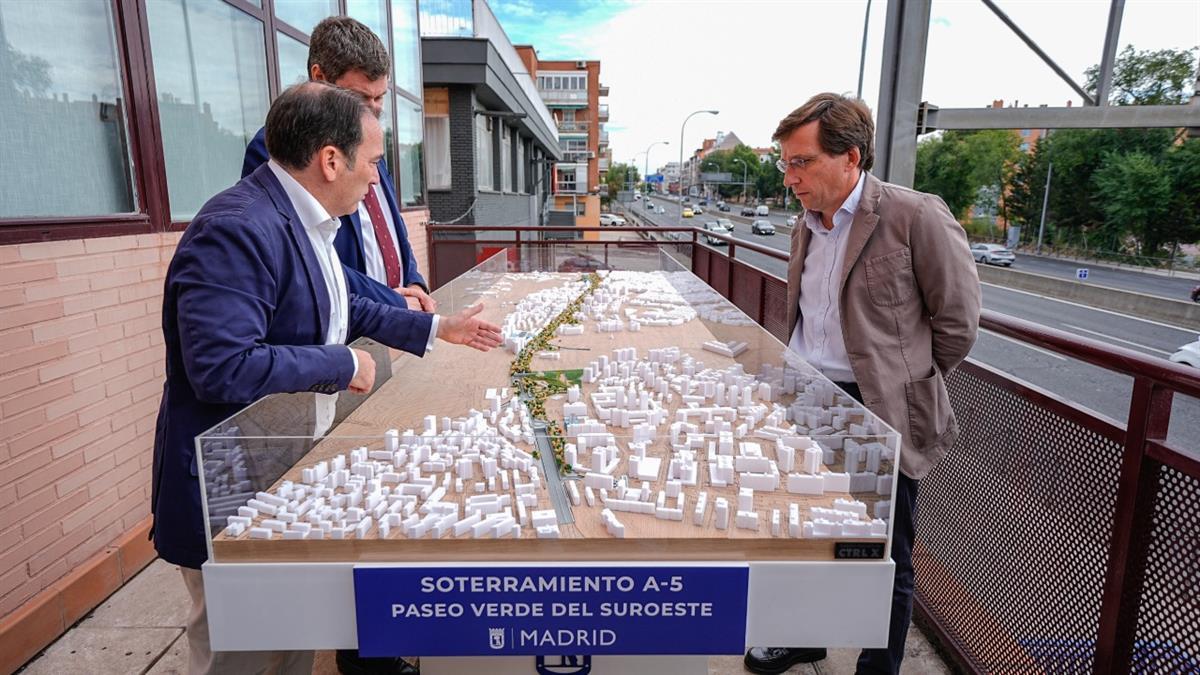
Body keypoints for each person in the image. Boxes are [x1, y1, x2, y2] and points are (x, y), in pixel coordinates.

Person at [151, 82, 503, 675]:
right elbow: (221, 367)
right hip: (226, 483)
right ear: (331, 159)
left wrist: (436, 327)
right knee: (238, 651)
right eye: (372, 162)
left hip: (274, 467)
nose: (376, 179)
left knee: (290, 639)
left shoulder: (304, 218)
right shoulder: (236, 228)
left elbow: (343, 306)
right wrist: (341, 364)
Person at [743, 94, 980, 675]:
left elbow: (958, 323)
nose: (789, 176)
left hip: (874, 409)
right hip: (805, 396)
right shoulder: (805, 223)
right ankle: (803, 637)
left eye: (801, 162)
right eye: (785, 163)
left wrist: (902, 384)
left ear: (850, 157)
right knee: (802, 531)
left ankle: (879, 668)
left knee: (883, 556)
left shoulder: (914, 216)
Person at [243, 16, 434, 314]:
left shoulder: (367, 145)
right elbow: (308, 257)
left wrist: (416, 284)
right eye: (360, 97)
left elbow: (395, 232)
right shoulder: (276, 151)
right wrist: (393, 303)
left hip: (395, 319)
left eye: (380, 97)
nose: (372, 110)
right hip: (343, 330)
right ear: (319, 76)